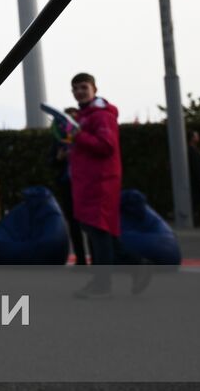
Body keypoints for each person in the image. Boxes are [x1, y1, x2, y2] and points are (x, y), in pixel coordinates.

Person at [67, 73, 147, 298]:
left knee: (100, 234)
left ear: (94, 88)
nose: (79, 92)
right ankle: (136, 267)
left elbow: (106, 145)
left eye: (83, 87)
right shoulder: (83, 117)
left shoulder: (101, 116)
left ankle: (103, 283)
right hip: (87, 183)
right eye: (75, 88)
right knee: (100, 234)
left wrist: (78, 136)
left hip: (100, 183)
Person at [48, 107, 86, 265]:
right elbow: (50, 162)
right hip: (67, 186)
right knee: (74, 225)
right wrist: (59, 158)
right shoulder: (59, 142)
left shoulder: (84, 139)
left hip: (84, 186)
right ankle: (81, 259)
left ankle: (97, 260)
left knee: (90, 225)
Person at [187, 130, 200, 226]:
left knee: (198, 198)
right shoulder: (191, 151)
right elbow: (196, 165)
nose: (198, 137)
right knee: (196, 198)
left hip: (196, 178)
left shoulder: (193, 150)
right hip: (195, 180)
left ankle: (196, 217)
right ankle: (195, 218)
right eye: (196, 136)